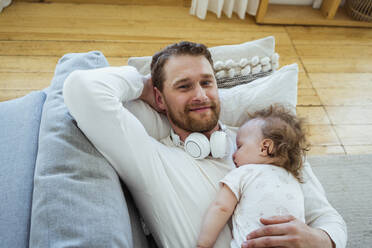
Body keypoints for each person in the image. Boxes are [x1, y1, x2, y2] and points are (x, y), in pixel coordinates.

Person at [63, 41, 347, 248]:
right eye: (184, 86)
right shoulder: (152, 156)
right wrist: (143, 84)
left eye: (207, 83)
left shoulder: (269, 142)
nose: (201, 95)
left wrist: (319, 239)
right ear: (160, 100)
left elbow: (329, 218)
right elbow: (82, 88)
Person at [197, 104, 309, 248]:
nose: (233, 154)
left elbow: (221, 208)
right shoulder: (294, 181)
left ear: (265, 147)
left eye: (240, 146)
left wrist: (203, 244)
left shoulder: (245, 172)